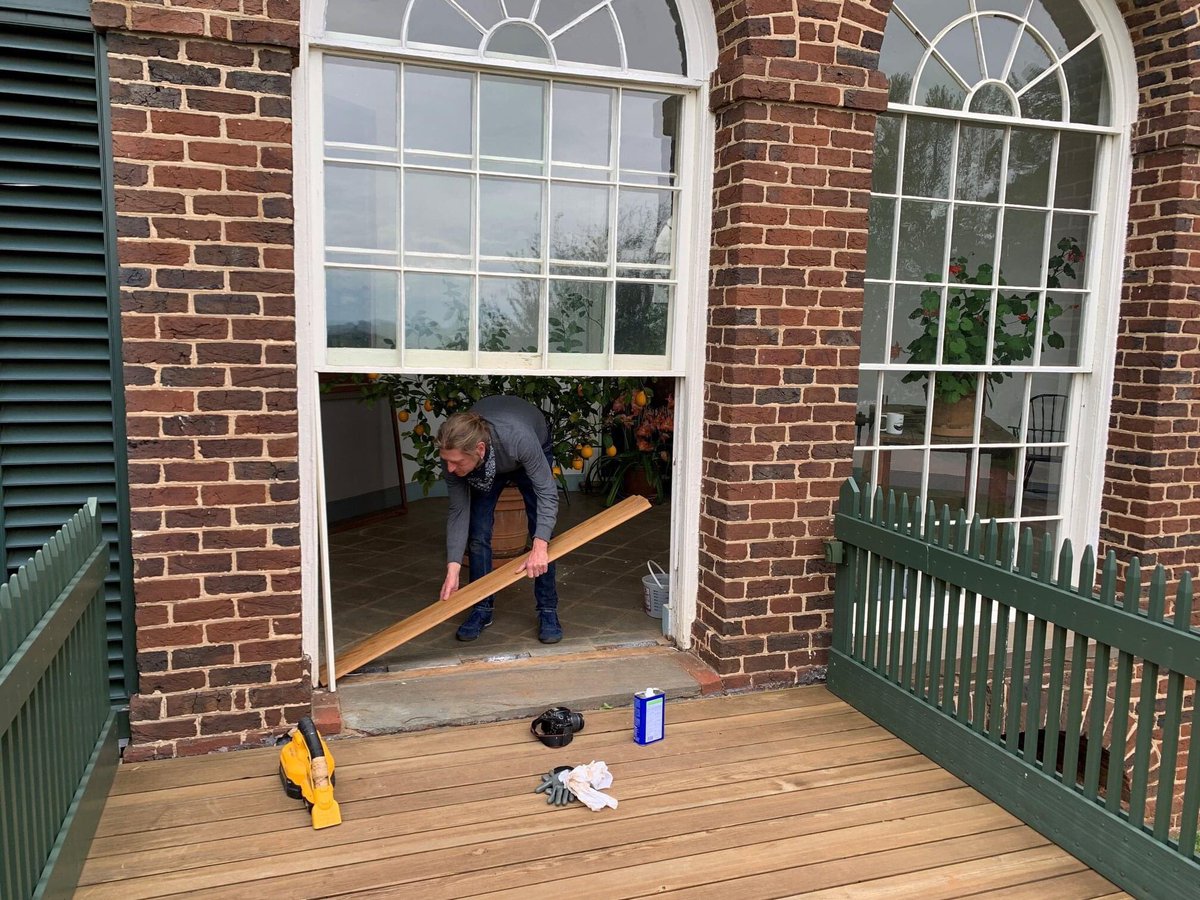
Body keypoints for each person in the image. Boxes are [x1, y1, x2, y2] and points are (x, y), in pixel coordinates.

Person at [436, 395, 562, 643]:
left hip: (527, 442)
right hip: (489, 461)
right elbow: (459, 511)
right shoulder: (453, 457)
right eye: (446, 461)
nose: (449, 469)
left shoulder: (519, 438)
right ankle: (481, 607)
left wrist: (539, 546)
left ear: (479, 449)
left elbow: (547, 493)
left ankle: (548, 610)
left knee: (542, 529)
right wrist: (453, 569)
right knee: (478, 532)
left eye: (456, 462)